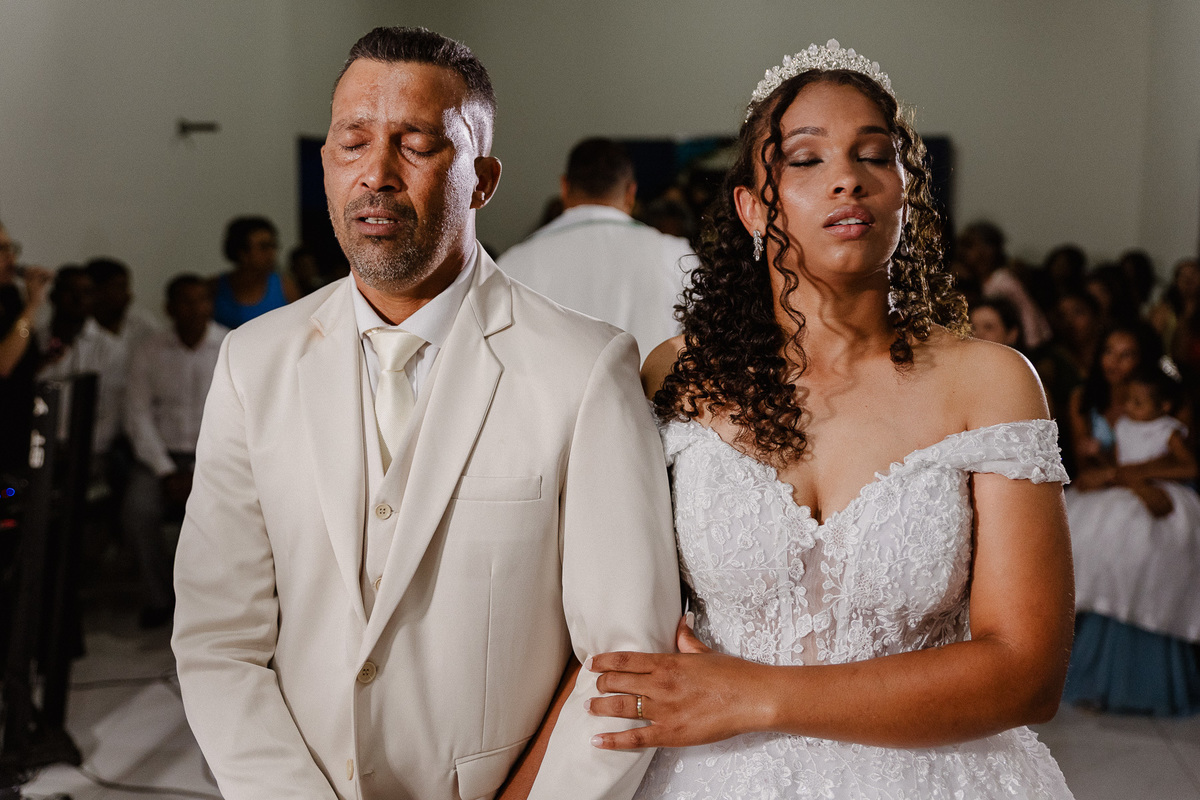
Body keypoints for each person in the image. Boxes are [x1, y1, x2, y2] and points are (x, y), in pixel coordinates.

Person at [171, 26, 680, 800]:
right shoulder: (254, 362)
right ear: (327, 162)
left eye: (416, 143)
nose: (376, 173)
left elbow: (627, 659)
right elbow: (218, 640)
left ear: (482, 178)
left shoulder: (585, 370)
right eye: (353, 142)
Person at [573, 40, 1073, 798]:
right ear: (751, 205)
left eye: (875, 155)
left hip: (939, 774)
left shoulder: (991, 384)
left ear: (905, 192)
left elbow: (1027, 671)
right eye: (805, 160)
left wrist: (755, 694)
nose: (848, 178)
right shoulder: (678, 377)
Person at [1064, 327, 1200, 715]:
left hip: (1154, 487)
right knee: (1089, 537)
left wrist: (1130, 477)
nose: (1114, 362)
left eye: (1127, 354)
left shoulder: (1169, 405)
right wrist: (1117, 474)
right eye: (1108, 351)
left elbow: (1181, 460)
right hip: (1113, 487)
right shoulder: (1085, 398)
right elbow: (1094, 465)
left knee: (1144, 543)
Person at [497, 137, 693, 360]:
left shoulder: (513, 265)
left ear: (564, 187)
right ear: (631, 192)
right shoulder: (677, 257)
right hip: (649, 394)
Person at [121, 274, 227, 629]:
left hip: (217, 460)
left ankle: (217, 604)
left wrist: (201, 468)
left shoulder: (229, 344)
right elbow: (136, 412)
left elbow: (238, 417)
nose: (195, 309)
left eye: (202, 300)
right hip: (159, 458)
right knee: (138, 512)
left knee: (230, 516)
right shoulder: (149, 349)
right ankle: (159, 599)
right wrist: (166, 470)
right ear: (169, 308)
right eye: (185, 301)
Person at [0, 221, 51, 476]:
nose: (11, 258)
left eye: (12, 248)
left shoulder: (9, 296)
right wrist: (32, 307)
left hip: (16, 423)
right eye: (1, 250)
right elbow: (3, 365)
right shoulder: (23, 306)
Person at [957, 220, 1053, 348]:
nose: (963, 252)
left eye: (969, 246)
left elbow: (1028, 318)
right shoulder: (984, 281)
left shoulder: (1002, 282)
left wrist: (1032, 351)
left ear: (988, 250)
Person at [210, 215, 299, 328]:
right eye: (264, 247)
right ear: (242, 253)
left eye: (273, 246)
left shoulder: (285, 287)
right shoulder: (215, 288)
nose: (271, 253)